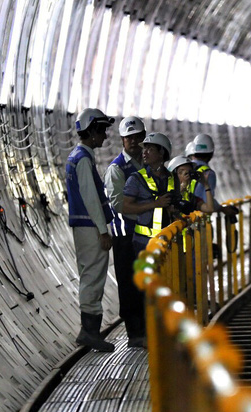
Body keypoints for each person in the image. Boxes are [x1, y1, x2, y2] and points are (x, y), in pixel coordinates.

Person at [66, 108, 116, 353]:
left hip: (83, 226)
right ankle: (89, 332)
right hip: (89, 227)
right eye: (102, 130)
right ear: (91, 130)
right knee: (93, 276)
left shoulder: (76, 156)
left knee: (90, 274)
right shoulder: (83, 159)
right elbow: (91, 197)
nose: (104, 136)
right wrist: (103, 230)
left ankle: (89, 330)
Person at [104, 116, 147, 347]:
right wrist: (149, 207)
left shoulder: (147, 164)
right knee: (129, 283)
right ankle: (135, 333)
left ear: (142, 137)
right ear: (122, 140)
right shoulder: (117, 169)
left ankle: (147, 328)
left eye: (136, 136)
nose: (132, 140)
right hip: (126, 235)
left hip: (146, 234)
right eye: (128, 137)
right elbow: (119, 205)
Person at [122, 132, 174, 255]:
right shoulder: (136, 179)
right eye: (144, 148)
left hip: (168, 241)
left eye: (150, 149)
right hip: (144, 244)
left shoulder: (172, 178)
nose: (144, 152)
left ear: (161, 152)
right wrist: (155, 204)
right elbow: (125, 207)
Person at [186, 132, 238, 219]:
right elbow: (206, 202)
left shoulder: (183, 169)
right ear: (211, 153)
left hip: (181, 220)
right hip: (197, 220)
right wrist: (222, 209)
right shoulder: (208, 173)